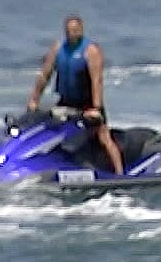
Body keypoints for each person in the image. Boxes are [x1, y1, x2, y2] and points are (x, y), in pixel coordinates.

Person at [27, 14, 124, 175]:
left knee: (103, 137)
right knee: (51, 131)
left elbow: (96, 80)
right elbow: (45, 75)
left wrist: (96, 108)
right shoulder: (58, 48)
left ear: (81, 30)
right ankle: (52, 167)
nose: (71, 33)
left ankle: (120, 173)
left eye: (74, 30)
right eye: (68, 30)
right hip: (66, 101)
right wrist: (34, 100)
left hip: (88, 103)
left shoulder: (91, 50)